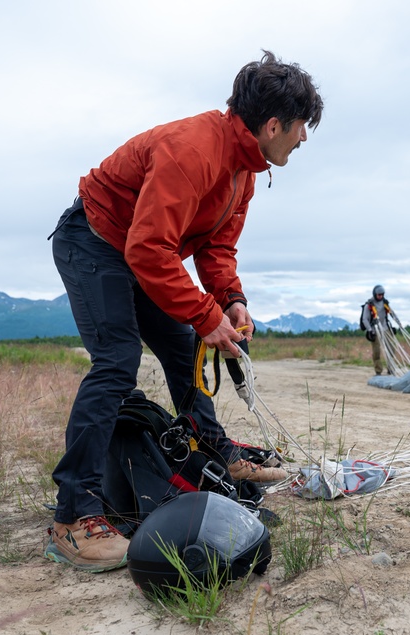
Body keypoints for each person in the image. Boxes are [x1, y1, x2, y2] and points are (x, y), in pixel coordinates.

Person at [45, 51, 324, 573]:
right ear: (272, 125)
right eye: (301, 128)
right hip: (94, 239)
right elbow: (149, 250)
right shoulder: (192, 151)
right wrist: (205, 314)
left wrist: (231, 301)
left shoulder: (245, 170)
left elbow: (215, 250)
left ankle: (218, 456)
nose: (303, 139)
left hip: (138, 250)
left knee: (180, 347)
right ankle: (72, 516)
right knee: (117, 360)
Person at [361, 285, 397, 375]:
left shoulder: (385, 302)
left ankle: (391, 368)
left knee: (391, 347)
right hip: (374, 329)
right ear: (375, 294)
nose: (380, 296)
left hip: (385, 328)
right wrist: (369, 330)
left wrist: (399, 324)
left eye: (382, 295)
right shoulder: (369, 305)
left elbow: (392, 313)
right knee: (376, 351)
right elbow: (365, 319)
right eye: (379, 295)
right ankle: (378, 371)